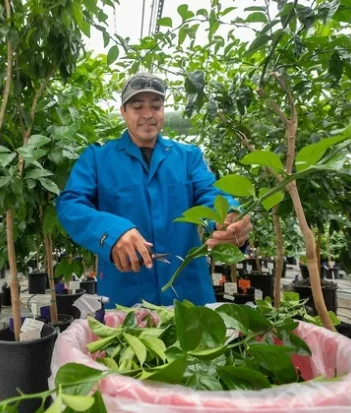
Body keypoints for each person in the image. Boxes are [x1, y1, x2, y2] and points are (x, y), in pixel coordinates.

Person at [56, 73, 253, 308]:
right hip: (125, 294)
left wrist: (229, 217)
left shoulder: (188, 157)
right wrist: (112, 232)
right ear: (123, 112)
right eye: (138, 107)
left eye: (156, 106)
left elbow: (209, 192)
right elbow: (70, 204)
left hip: (189, 291)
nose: (148, 114)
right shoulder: (97, 158)